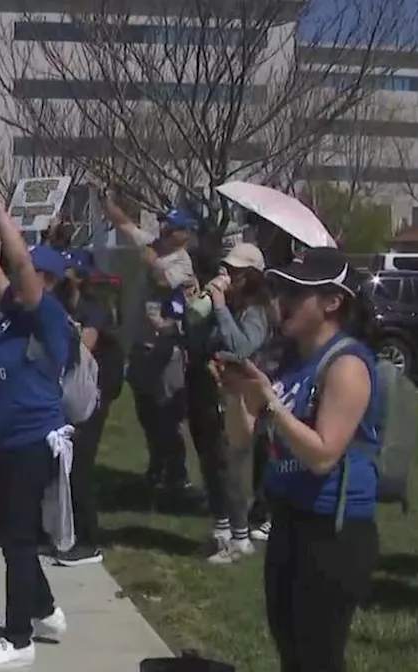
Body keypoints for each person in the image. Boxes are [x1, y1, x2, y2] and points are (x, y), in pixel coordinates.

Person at [217, 247, 381, 672]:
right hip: (289, 518)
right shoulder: (289, 360)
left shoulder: (346, 364)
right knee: (291, 649)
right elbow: (239, 438)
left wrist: (270, 403)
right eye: (282, 288)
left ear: (333, 302)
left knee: (318, 657)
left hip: (334, 530)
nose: (282, 299)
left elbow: (323, 455)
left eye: (296, 291)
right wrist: (238, 393)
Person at [0, 171, 70, 671]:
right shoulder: (9, 313)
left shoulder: (48, 319)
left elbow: (15, 257)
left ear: (47, 282)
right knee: (8, 533)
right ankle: (44, 609)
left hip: (32, 442)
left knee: (18, 540)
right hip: (6, 443)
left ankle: (18, 639)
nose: (23, 276)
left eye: (33, 274)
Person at [104, 192, 203, 508]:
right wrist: (106, 200)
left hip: (166, 349)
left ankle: (177, 473)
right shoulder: (152, 245)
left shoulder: (182, 261)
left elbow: (163, 281)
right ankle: (157, 467)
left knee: (168, 414)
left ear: (184, 234)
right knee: (146, 412)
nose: (163, 230)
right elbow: (124, 224)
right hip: (141, 345)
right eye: (163, 224)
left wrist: (150, 260)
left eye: (171, 227)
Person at [189, 243, 275, 564]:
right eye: (228, 268)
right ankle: (222, 530)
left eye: (238, 271)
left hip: (244, 397)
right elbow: (200, 339)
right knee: (211, 461)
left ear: (252, 276)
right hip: (214, 390)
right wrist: (203, 307)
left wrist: (222, 308)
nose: (230, 275)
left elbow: (242, 347)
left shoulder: (256, 311)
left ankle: (241, 538)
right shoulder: (227, 305)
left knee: (230, 464)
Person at [54, 247, 117, 566]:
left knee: (80, 467)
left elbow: (84, 347)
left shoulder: (95, 310)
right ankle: (67, 533)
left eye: (66, 273)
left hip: (92, 396)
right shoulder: (61, 305)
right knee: (64, 466)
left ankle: (90, 541)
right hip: (66, 394)